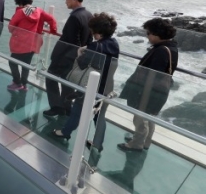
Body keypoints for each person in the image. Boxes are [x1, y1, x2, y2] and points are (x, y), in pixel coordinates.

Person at [53, 13, 119, 149]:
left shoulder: (96, 46)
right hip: (107, 85)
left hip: (92, 85)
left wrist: (80, 52)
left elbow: (83, 64)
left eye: (93, 30)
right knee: (99, 116)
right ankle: (97, 143)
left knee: (78, 109)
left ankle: (65, 132)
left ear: (98, 32)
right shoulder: (115, 44)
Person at [118, 18, 178, 152]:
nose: (147, 36)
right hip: (159, 92)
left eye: (149, 33)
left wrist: (140, 93)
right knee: (150, 117)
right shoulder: (172, 47)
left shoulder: (161, 50)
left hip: (148, 91)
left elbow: (152, 75)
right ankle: (145, 142)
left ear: (157, 34)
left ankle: (136, 144)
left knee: (140, 118)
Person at [44, 0, 93, 117]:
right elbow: (89, 39)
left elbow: (71, 42)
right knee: (67, 84)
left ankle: (56, 107)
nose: (65, 1)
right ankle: (66, 108)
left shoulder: (75, 17)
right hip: (76, 58)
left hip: (65, 58)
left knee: (50, 78)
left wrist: (59, 58)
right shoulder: (89, 15)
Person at [7, 0, 57, 91]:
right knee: (26, 64)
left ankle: (17, 83)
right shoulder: (39, 10)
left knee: (12, 62)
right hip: (33, 44)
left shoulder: (20, 12)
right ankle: (24, 85)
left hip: (20, 44)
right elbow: (51, 19)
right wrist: (53, 31)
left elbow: (10, 27)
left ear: (20, 3)